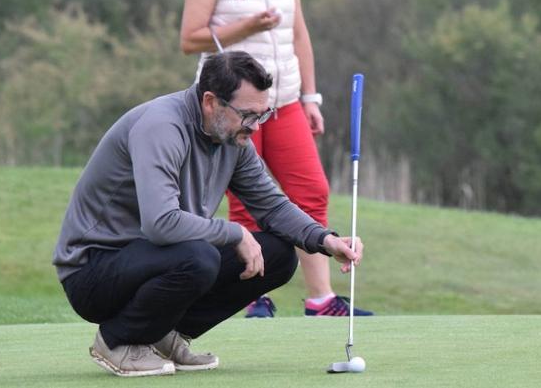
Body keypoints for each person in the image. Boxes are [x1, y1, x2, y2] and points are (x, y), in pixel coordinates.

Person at [52, 51, 364, 378]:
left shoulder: (234, 138)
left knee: (278, 255)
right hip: (93, 271)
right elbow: (160, 224)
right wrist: (235, 233)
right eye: (248, 115)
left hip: (154, 260)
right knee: (198, 256)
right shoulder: (162, 127)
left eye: (263, 114)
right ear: (211, 102)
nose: (255, 127)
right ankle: (118, 341)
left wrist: (324, 239)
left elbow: (271, 205)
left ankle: (160, 333)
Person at [180, 0, 372, 318]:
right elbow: (191, 39)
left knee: (311, 190)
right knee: (247, 203)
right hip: (234, 107)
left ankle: (321, 299)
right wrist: (248, 27)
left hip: (283, 100)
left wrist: (311, 96)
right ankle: (252, 298)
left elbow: (298, 31)